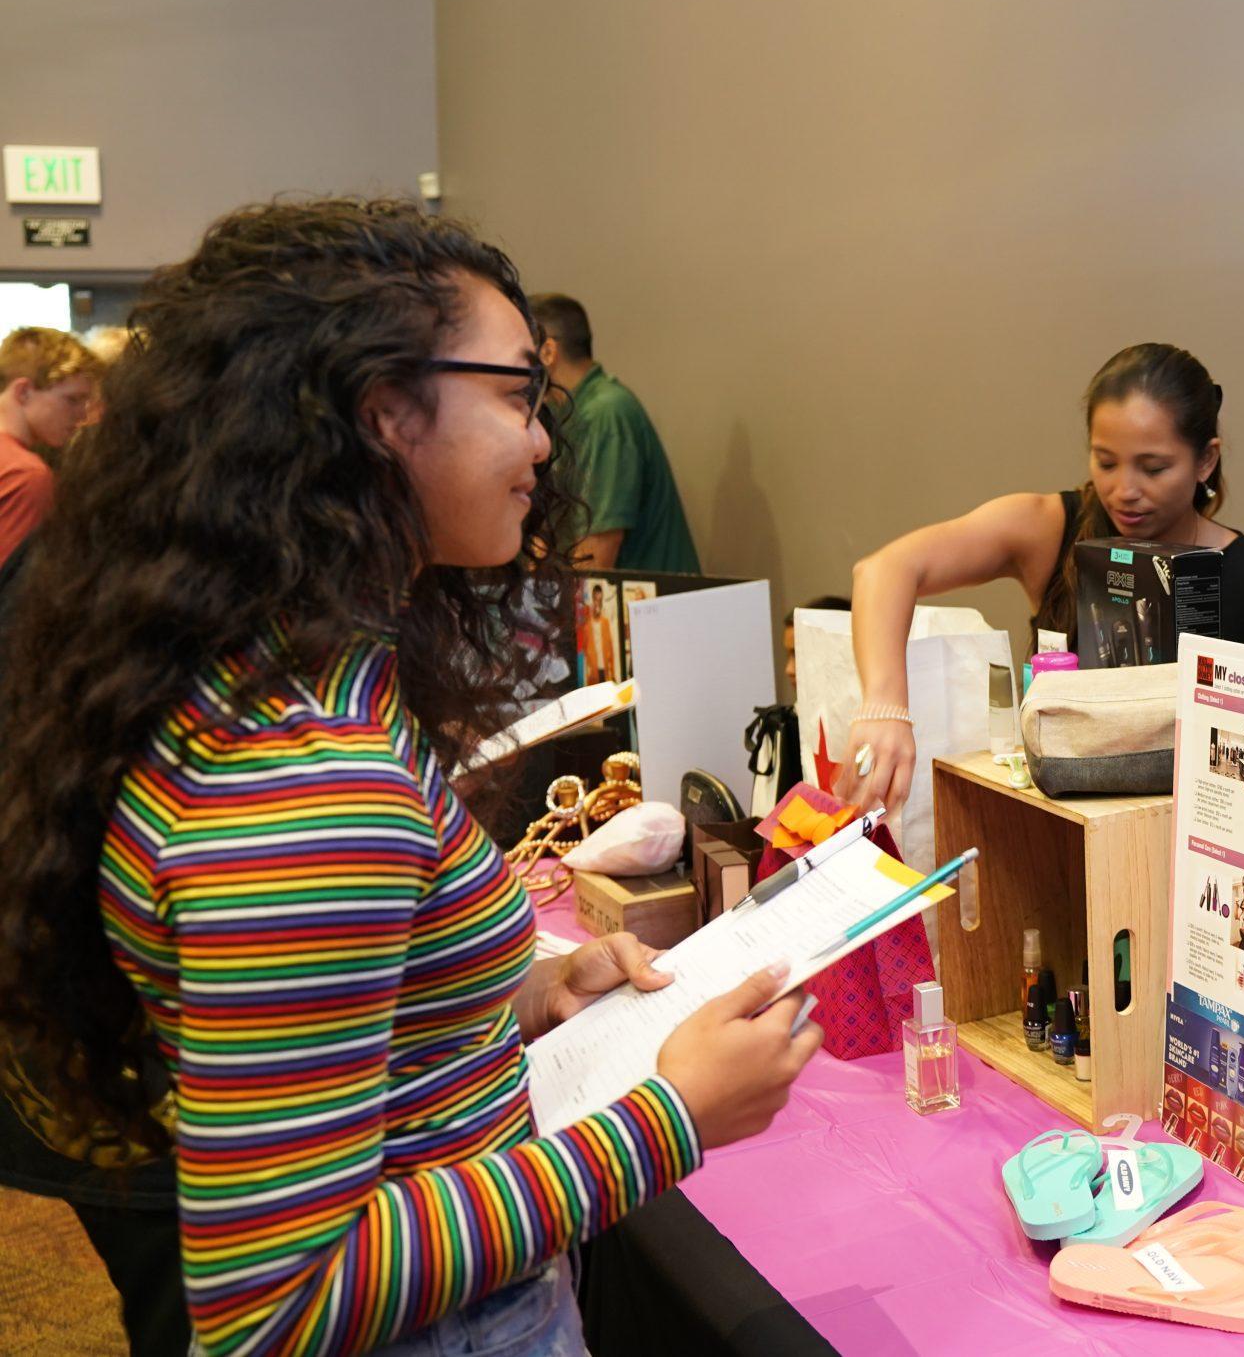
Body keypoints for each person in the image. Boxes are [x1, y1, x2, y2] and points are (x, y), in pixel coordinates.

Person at [0, 200, 817, 1357]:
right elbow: (280, 1298)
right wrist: (669, 1119)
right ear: (385, 410)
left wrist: (524, 995)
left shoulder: (298, 675)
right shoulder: (311, 780)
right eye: (516, 395)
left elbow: (358, 1041)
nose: (544, 442)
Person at [832, 343, 1244, 815]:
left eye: (1153, 468)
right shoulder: (1048, 528)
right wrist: (884, 707)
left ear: (1206, 461)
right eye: (1105, 462)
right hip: (1056, 830)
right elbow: (884, 570)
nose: (1124, 490)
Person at [528, 291, 701, 573]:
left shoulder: (605, 413)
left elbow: (596, 554)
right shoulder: (559, 414)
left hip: (652, 598)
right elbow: (545, 534)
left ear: (547, 352)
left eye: (522, 350)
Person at [0, 325, 101, 569]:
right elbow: (13, 584)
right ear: (24, 392)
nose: (82, 414)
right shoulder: (26, 475)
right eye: (72, 400)